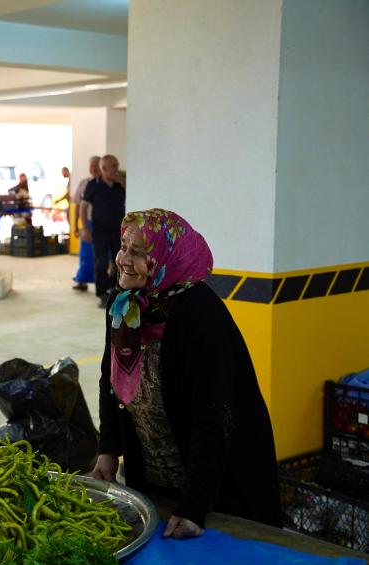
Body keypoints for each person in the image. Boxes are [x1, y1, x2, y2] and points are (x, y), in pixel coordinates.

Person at [91, 208, 281, 539]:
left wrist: (195, 504)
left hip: (218, 486)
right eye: (124, 247)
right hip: (154, 477)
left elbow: (214, 415)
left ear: (166, 257)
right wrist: (108, 447)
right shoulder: (125, 305)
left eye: (138, 252)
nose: (123, 259)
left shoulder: (200, 314)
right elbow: (111, 378)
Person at [82, 154, 126, 308]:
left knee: (119, 261)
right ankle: (102, 294)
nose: (117, 169)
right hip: (99, 230)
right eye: (113, 166)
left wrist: (124, 183)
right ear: (103, 169)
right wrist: (84, 228)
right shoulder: (93, 185)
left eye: (117, 165)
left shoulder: (122, 182)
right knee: (100, 262)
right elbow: (83, 206)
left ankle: (117, 290)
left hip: (119, 230)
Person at [72, 156, 101, 291]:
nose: (94, 168)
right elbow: (78, 205)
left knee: (104, 255)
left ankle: (102, 283)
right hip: (87, 223)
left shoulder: (106, 183)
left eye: (97, 165)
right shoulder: (84, 183)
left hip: (102, 224)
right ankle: (82, 281)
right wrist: (76, 226)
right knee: (85, 253)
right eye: (92, 166)